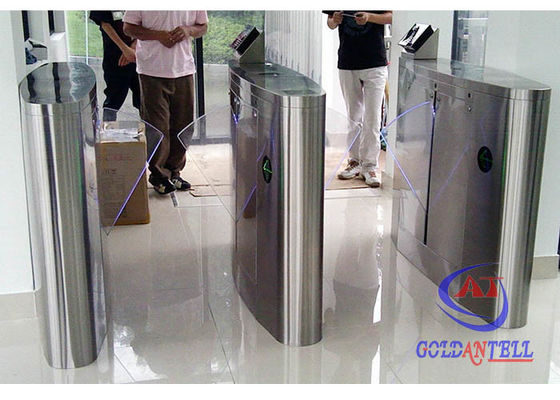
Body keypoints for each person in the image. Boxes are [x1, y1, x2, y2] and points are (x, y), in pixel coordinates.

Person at [123, 11, 208, 195]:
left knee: (183, 126)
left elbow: (203, 26)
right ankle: (159, 176)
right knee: (157, 127)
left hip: (184, 69)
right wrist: (158, 35)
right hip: (151, 71)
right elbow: (128, 28)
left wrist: (188, 30)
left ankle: (174, 171)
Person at [328, 11, 392, 188]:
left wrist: (369, 17)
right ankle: (354, 161)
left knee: (373, 117)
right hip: (347, 62)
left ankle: (370, 166)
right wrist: (335, 20)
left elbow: (391, 16)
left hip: (375, 63)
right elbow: (330, 22)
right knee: (353, 116)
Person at [89, 11, 141, 121]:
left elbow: (146, 22)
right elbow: (105, 24)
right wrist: (125, 49)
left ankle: (149, 130)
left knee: (144, 98)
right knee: (113, 99)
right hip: (115, 58)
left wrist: (134, 46)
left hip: (138, 55)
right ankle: (108, 129)